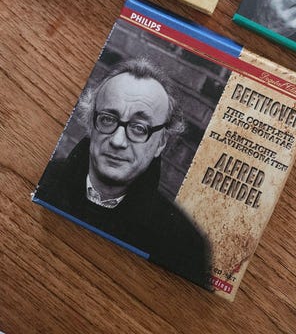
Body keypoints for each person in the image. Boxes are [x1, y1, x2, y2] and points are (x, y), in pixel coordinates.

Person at [35, 58, 211, 290]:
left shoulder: (185, 244)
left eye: (139, 128)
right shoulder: (42, 182)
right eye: (108, 119)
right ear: (91, 124)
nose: (118, 141)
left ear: (161, 143)